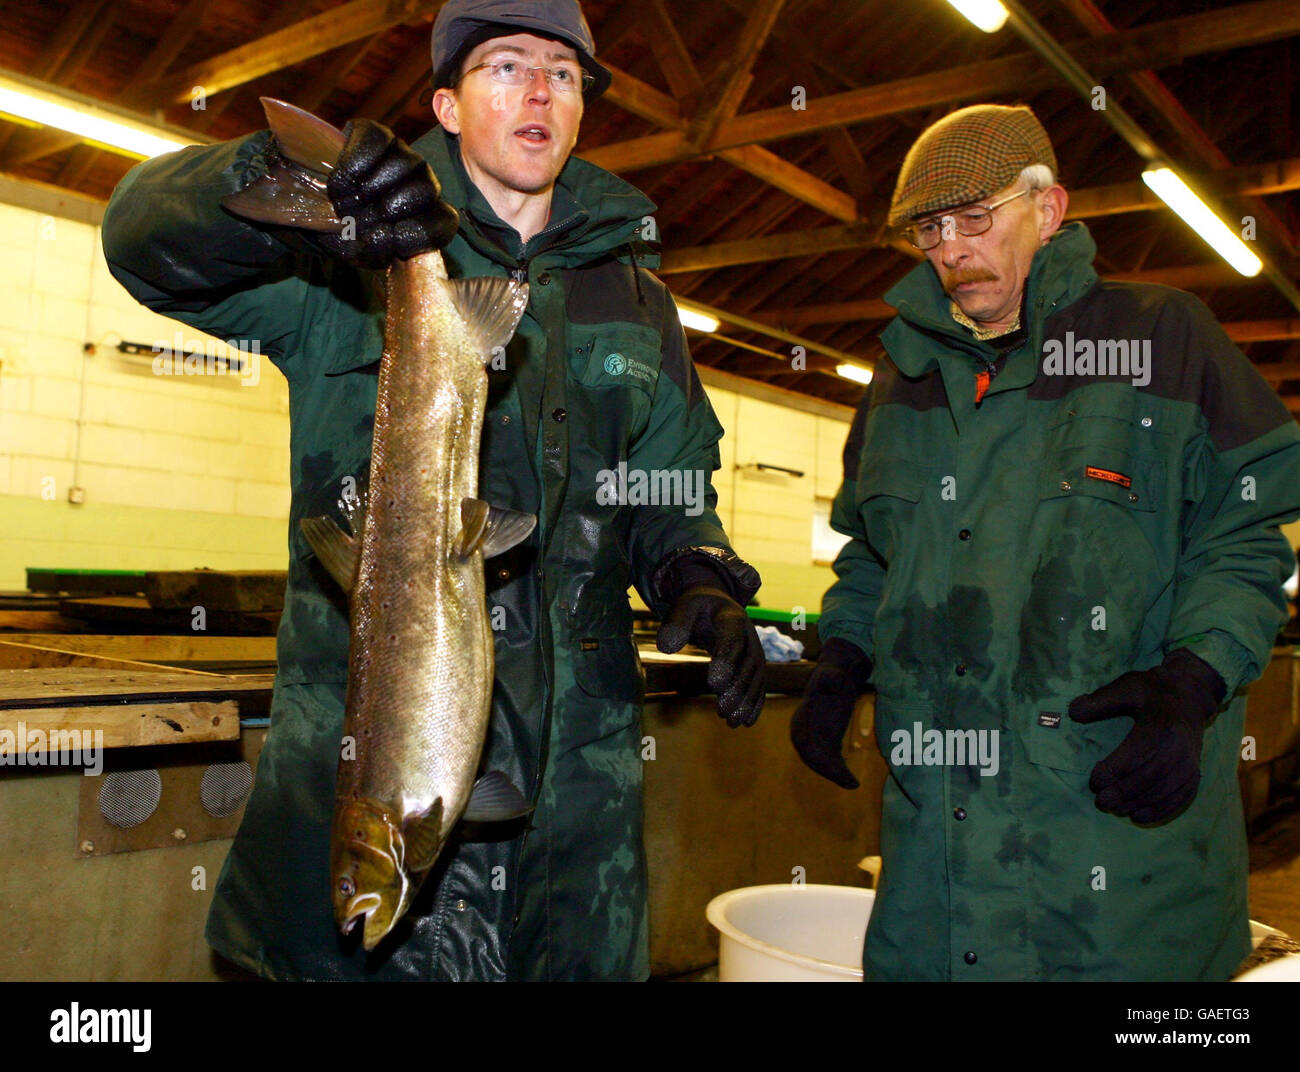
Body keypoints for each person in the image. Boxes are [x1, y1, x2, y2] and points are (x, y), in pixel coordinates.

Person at [101, 0, 765, 981]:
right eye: (505, 66)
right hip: (364, 766)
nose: (540, 89)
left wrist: (696, 575)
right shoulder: (338, 256)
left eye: (563, 72)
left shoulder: (638, 301)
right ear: (446, 104)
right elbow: (141, 241)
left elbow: (668, 482)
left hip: (576, 822)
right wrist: (281, 176)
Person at [791, 103, 1300, 981]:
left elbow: (1244, 534)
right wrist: (841, 657)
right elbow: (874, 555)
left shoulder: (1161, 338)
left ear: (1050, 210)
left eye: (975, 217)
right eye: (929, 227)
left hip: (1110, 853)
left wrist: (1193, 684)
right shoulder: (899, 377)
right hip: (938, 869)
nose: (950, 248)